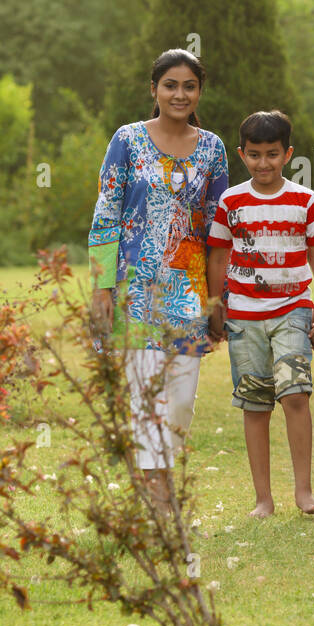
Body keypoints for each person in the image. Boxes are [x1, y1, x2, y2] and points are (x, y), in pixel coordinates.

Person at [88, 48, 228, 509]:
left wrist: (217, 301)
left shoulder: (212, 148)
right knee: (144, 391)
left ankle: (158, 482)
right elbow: (106, 214)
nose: (180, 94)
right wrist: (101, 287)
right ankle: (157, 496)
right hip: (134, 287)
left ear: (199, 91)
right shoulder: (127, 140)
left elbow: (217, 229)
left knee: (182, 396)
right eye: (170, 85)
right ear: (154, 90)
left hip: (187, 289)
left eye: (189, 85)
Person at [206, 110, 314, 518]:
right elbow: (219, 256)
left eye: (273, 154)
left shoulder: (304, 200)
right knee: (256, 403)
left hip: (292, 308)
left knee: (296, 394)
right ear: (242, 155)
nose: (264, 163)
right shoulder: (231, 201)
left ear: (288, 154)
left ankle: (304, 491)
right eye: (256, 155)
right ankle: (263, 498)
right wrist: (215, 306)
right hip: (243, 314)